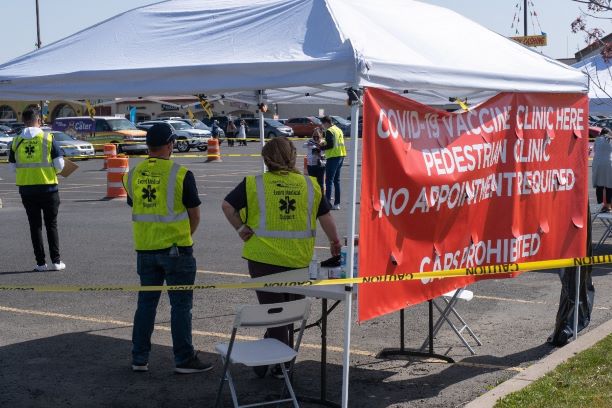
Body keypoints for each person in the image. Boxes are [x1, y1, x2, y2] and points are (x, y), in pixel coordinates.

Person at [221, 137, 341, 378]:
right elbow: (326, 217)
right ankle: (280, 364)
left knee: (275, 314)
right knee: (288, 314)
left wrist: (241, 228)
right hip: (298, 259)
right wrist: (335, 242)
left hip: (262, 259)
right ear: (293, 156)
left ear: (266, 158)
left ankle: (272, 362)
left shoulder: (254, 183)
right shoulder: (310, 185)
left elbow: (227, 206)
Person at [123, 123, 213, 374]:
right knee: (181, 306)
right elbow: (195, 215)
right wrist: (185, 235)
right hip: (176, 250)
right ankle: (183, 358)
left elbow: (135, 203)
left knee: (146, 304)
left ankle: (139, 358)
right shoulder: (181, 173)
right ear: (171, 144)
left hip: (145, 249)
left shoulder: (132, 174)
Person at [9, 109, 65, 271]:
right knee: (51, 225)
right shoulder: (48, 138)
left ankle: (40, 263)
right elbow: (60, 166)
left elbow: (12, 169)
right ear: (38, 120)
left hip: (27, 189)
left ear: (23, 120)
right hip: (48, 188)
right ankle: (56, 262)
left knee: (35, 226)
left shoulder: (16, 140)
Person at [320, 115, 347, 210]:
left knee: (329, 180)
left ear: (326, 123)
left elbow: (330, 145)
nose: (322, 126)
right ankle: (337, 203)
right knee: (336, 180)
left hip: (333, 156)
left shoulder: (329, 131)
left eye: (322, 124)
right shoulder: (338, 129)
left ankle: (327, 203)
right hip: (341, 155)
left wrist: (321, 147)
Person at [592, 127, 612, 212]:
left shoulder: (597, 139)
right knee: (609, 186)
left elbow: (595, 150)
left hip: (597, 163)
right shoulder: (611, 139)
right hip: (609, 162)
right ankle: (608, 207)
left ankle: (599, 206)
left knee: (599, 186)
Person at [303, 127, 326, 193]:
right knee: (312, 182)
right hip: (310, 165)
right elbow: (303, 145)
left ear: (320, 136)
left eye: (317, 136)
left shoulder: (323, 142)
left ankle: (321, 198)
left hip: (320, 165)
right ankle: (314, 196)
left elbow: (324, 153)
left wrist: (319, 151)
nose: (315, 137)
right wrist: (311, 144)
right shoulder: (310, 141)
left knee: (320, 183)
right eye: (314, 136)